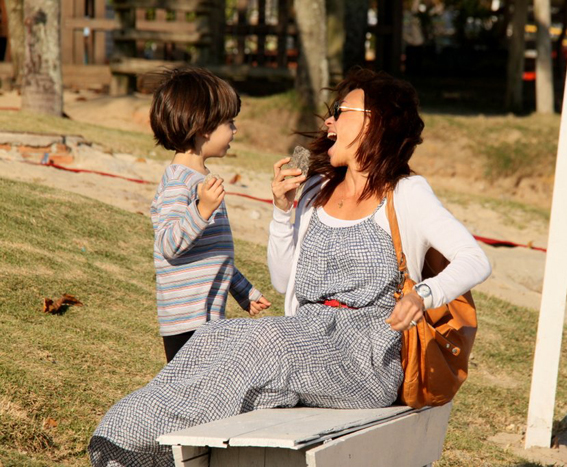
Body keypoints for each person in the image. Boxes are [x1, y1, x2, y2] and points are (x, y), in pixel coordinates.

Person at [88, 68, 490, 467]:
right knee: (216, 334)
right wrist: (283, 212)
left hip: (368, 352)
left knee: (270, 346)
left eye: (342, 110)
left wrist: (424, 294)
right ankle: (121, 435)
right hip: (308, 332)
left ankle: (146, 449)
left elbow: (476, 259)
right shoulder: (316, 188)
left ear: (375, 124)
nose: (329, 120)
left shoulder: (406, 193)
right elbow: (283, 281)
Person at [148, 67, 270, 362]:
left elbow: (212, 253)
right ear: (204, 127)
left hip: (207, 319)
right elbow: (168, 244)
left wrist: (243, 291)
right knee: (191, 394)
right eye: (229, 122)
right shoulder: (180, 183)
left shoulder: (202, 179)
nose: (235, 131)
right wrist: (201, 210)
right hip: (186, 323)